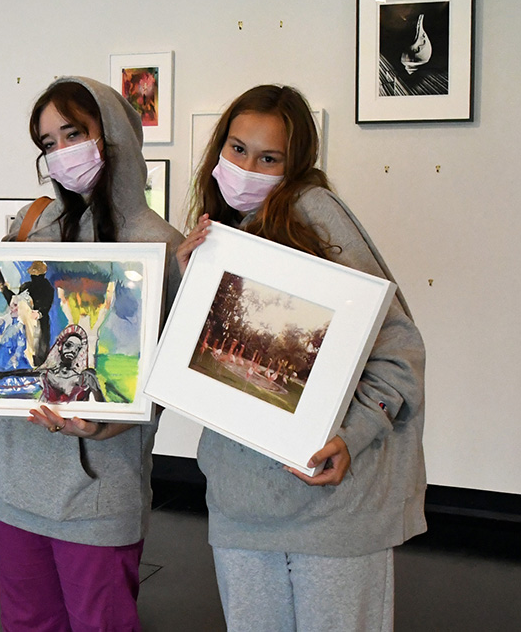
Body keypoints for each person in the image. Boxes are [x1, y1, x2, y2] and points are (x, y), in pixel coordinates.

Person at [177, 84, 426, 631]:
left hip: (333, 510)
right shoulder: (219, 233)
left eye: (269, 158)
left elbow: (399, 352)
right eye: (237, 149)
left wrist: (354, 434)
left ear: (296, 164)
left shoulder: (315, 213)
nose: (246, 168)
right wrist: (186, 282)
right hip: (243, 505)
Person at [0, 76, 183, 631]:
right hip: (11, 478)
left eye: (73, 133)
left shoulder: (159, 246)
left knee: (100, 622)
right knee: (27, 622)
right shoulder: (33, 227)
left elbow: (166, 378)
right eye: (48, 143)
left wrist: (104, 429)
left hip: (98, 491)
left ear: (114, 133)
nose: (61, 153)